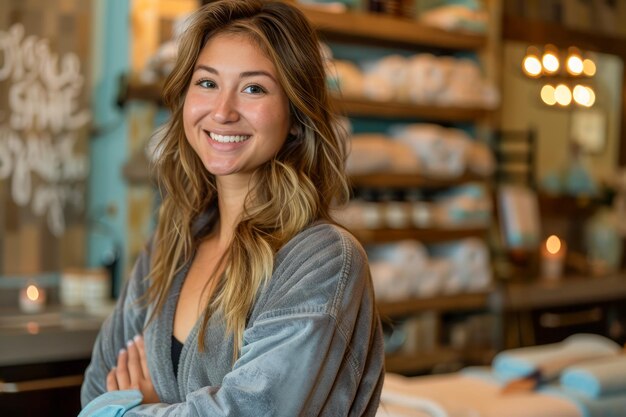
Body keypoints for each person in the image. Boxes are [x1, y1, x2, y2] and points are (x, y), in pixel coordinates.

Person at [80, 0, 385, 416]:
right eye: (207, 83)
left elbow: (248, 412)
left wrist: (131, 408)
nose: (222, 112)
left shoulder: (324, 260)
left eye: (253, 88)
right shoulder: (169, 247)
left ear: (296, 115)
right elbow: (96, 390)